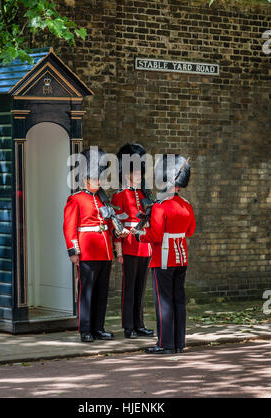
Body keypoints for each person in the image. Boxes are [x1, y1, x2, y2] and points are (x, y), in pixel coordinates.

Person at [63, 147, 128, 343]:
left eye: (99, 179)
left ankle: (99, 328)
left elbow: (109, 224)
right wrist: (74, 251)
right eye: (94, 179)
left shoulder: (102, 200)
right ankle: (85, 330)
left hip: (105, 252)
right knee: (87, 293)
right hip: (88, 252)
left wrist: (118, 236)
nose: (98, 182)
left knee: (101, 293)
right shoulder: (75, 199)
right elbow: (69, 227)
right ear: (85, 180)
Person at [134, 154, 196, 354]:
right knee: (178, 299)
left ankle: (165, 344)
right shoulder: (186, 205)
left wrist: (139, 235)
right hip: (181, 257)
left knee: (164, 301)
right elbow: (190, 231)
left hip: (163, 258)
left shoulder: (161, 206)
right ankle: (178, 342)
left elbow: (155, 234)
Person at [112, 143, 154, 339]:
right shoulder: (119, 196)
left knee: (140, 288)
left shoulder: (145, 196)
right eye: (133, 172)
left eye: (139, 172)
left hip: (144, 245)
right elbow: (116, 226)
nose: (137, 175)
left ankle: (140, 323)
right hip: (129, 245)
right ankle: (128, 326)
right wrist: (118, 251)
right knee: (129, 288)